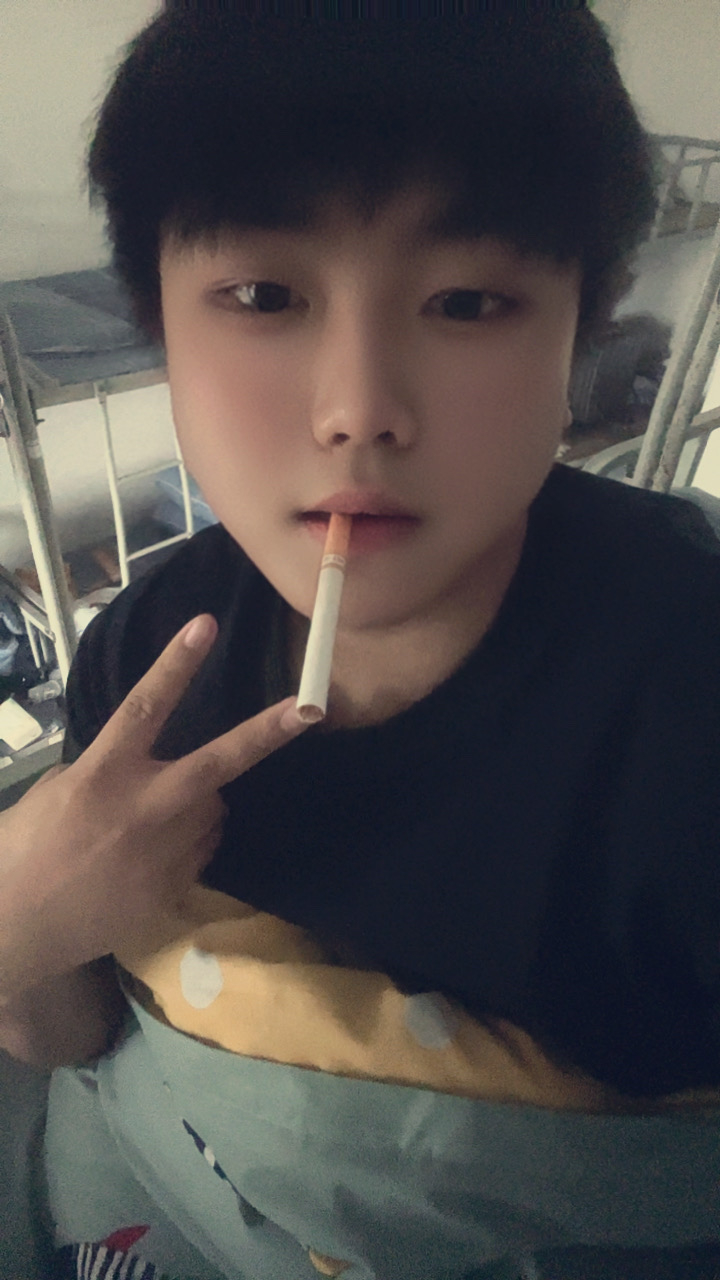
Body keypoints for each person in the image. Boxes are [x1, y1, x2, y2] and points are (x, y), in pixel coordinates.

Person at [1, 4, 719, 1278]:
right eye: (264, 295)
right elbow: (79, 1035)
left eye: (467, 301)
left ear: (583, 327)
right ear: (158, 321)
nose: (360, 409)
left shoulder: (686, 697)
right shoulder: (145, 658)